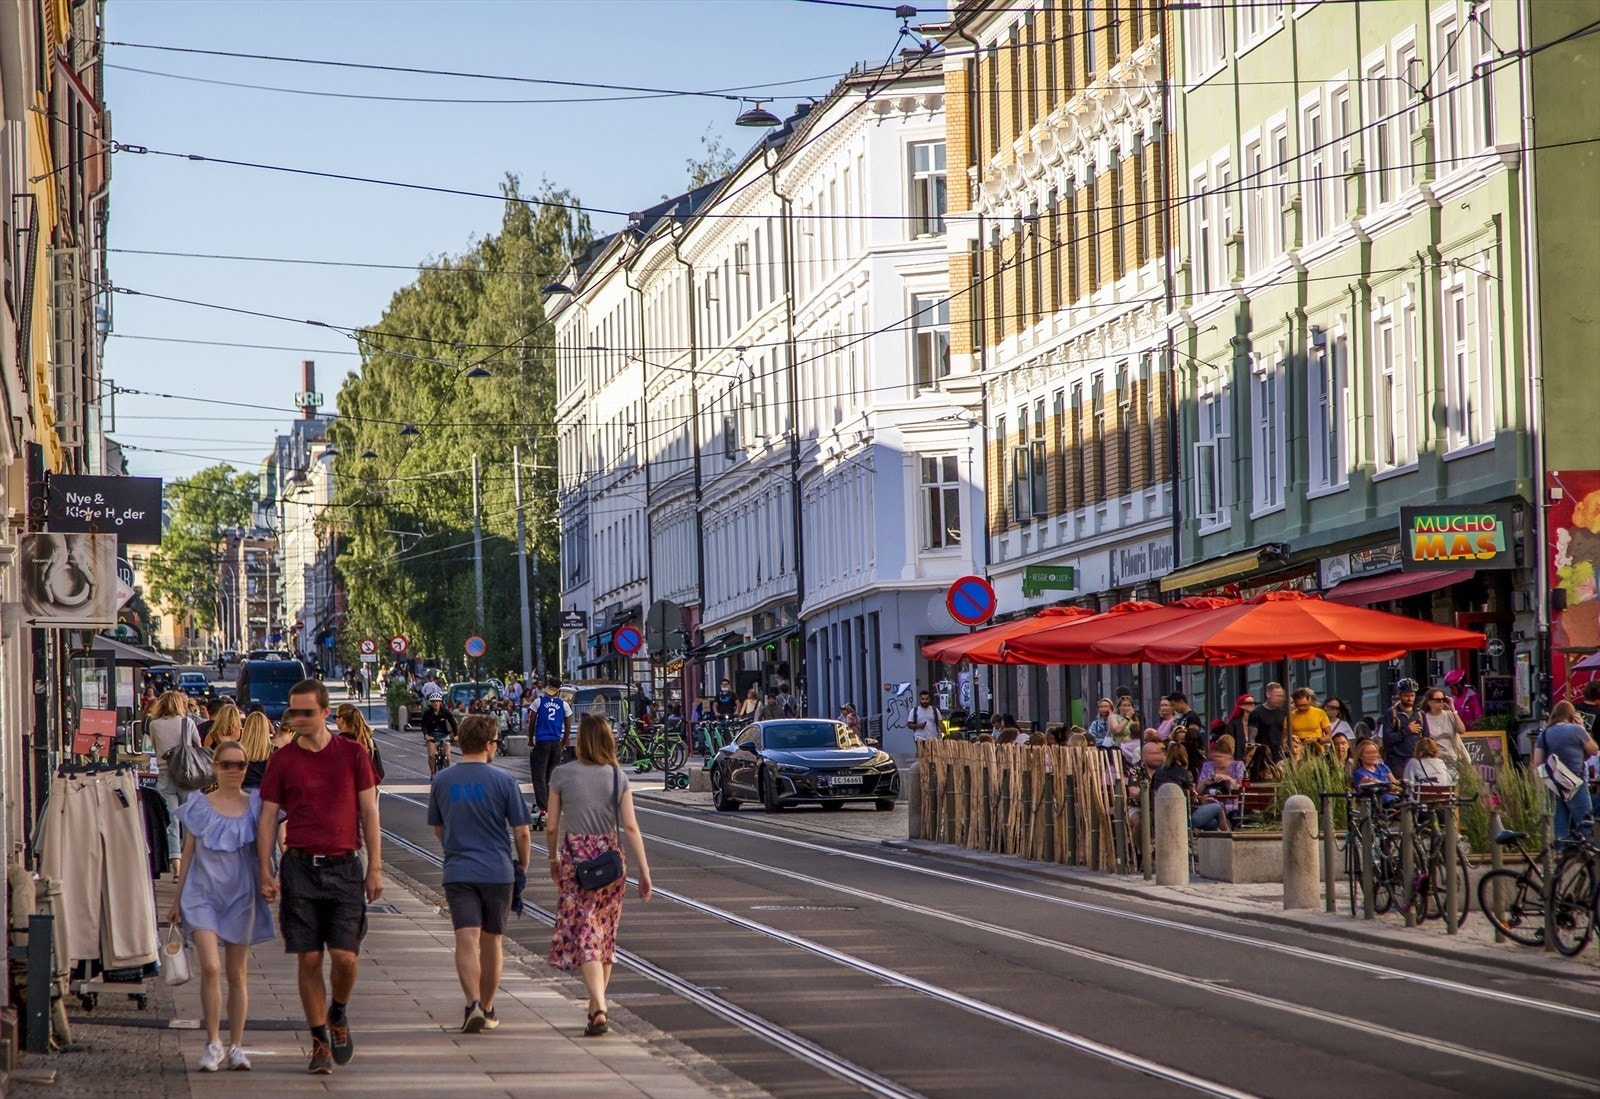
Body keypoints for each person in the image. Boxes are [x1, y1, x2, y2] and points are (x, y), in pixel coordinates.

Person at [257, 680, 381, 1076]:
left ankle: (338, 1013)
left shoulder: (352, 753)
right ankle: (318, 1044)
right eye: (294, 712)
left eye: (307, 712)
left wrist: (375, 866)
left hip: (345, 867)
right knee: (309, 958)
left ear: (326, 713)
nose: (299, 719)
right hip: (300, 867)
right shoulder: (283, 759)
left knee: (345, 958)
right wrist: (265, 868)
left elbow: (369, 812)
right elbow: (267, 817)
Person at [168, 740, 276, 1072]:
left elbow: (268, 849)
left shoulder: (257, 805)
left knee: (237, 973)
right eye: (227, 764)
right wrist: (176, 899)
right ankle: (213, 1041)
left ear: (246, 768)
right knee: (211, 968)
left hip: (241, 896)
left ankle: (237, 1046)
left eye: (239, 765)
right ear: (215, 767)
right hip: (201, 895)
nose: (233, 770)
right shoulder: (198, 806)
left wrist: (270, 878)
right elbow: (187, 853)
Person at [546, 715, 653, 1038]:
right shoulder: (618, 777)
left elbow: (551, 825)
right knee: (603, 935)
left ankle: (600, 1007)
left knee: (585, 935)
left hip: (576, 861)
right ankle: (595, 1010)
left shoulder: (561, 775)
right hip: (610, 863)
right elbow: (631, 827)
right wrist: (644, 871)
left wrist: (552, 857)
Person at [428, 714, 531, 1034]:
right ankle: (487, 1008)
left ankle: (471, 1003)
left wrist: (455, 847)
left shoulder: (442, 781)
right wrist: (522, 867)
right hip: (498, 873)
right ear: (489, 744)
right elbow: (522, 832)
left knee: (465, 939)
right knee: (492, 942)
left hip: (458, 871)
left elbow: (437, 828)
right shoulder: (504, 782)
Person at [148, 690, 201, 877]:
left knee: (171, 822)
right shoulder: (188, 723)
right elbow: (198, 748)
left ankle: (176, 866)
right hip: (187, 775)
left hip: (164, 774)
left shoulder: (153, 725)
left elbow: (155, 749)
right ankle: (188, 863)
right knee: (189, 820)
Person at [1531, 701, 1598, 840]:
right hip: (1575, 782)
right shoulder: (1577, 730)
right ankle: (1589, 855)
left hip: (1553, 785)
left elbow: (1537, 761)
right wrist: (1582, 728)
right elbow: (1594, 750)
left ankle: (1562, 856)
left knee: (1560, 827)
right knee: (1586, 823)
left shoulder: (1544, 733)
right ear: (1572, 716)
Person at [530, 678, 572, 830]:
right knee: (551, 777)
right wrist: (563, 742)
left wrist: (530, 739)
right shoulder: (564, 705)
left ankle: (543, 809)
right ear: (559, 690)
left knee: (538, 777)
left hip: (541, 742)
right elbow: (567, 725)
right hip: (555, 743)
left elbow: (532, 721)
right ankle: (552, 808)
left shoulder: (538, 702)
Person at [1192, 736, 1245, 831]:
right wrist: (1205, 783)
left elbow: (1241, 789)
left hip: (1231, 806)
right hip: (1209, 803)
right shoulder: (1207, 766)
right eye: (1215, 757)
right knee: (1212, 821)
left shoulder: (1237, 765)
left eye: (1221, 757)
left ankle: (1224, 830)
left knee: (1216, 818)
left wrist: (1228, 779)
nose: (1218, 760)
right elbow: (1198, 792)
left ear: (1229, 756)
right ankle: (1224, 830)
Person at [1378, 678, 1425, 774]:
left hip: (1417, 760)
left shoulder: (1420, 714)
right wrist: (1407, 730)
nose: (1410, 699)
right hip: (1397, 761)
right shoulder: (1391, 713)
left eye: (1412, 695)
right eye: (1406, 696)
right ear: (1400, 695)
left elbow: (1426, 737)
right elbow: (1387, 739)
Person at [1419, 687, 1469, 770]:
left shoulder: (1449, 714)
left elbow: (1461, 730)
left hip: (1454, 759)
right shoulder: (1424, 718)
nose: (1442, 702)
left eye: (1443, 699)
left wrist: (1453, 709)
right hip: (1435, 761)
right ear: (1429, 702)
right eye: (1438, 700)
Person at [335, 704, 385, 783]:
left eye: (335, 717)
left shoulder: (337, 743)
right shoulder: (368, 742)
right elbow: (379, 773)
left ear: (342, 719)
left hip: (345, 792)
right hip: (365, 793)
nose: (335, 720)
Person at [1350, 738, 1400, 803]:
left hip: (1394, 801)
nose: (1373, 755)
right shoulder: (1359, 773)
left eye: (1374, 752)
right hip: (1376, 806)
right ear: (1360, 756)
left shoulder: (1383, 767)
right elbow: (1369, 781)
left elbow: (1395, 785)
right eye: (1368, 753)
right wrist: (1386, 785)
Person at [1249, 682, 1289, 762]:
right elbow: (1251, 737)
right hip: (1264, 754)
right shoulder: (1257, 713)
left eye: (1281, 696)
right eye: (1277, 696)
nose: (1280, 698)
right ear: (1268, 695)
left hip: (1280, 754)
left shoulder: (1284, 713)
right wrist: (1252, 753)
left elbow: (1286, 733)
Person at [420, 696, 459, 777]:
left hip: (444, 735)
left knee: (447, 755)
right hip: (432, 736)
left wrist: (456, 735)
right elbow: (423, 725)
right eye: (434, 702)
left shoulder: (445, 712)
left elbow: (453, 723)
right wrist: (426, 735)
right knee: (431, 755)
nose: (436, 703)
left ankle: (447, 772)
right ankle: (433, 773)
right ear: (431, 703)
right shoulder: (428, 713)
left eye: (437, 701)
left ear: (440, 702)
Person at [1288, 688, 1332, 753]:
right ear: (1294, 703)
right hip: (1297, 753)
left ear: (1309, 700)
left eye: (1305, 705)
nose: (1302, 708)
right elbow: (1285, 737)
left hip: (1317, 752)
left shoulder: (1320, 713)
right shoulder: (1290, 716)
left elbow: (1329, 736)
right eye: (1299, 706)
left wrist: (1317, 740)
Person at [238, 711, 274, 789]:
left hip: (242, 792)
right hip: (265, 793)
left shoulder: (237, 749)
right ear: (266, 728)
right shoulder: (274, 751)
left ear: (247, 727)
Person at [1224, 694, 1256, 760]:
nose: (1253, 705)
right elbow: (1229, 745)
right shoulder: (1233, 725)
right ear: (1242, 706)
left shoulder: (1257, 723)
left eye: (1254, 703)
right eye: (1249, 703)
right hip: (1239, 761)